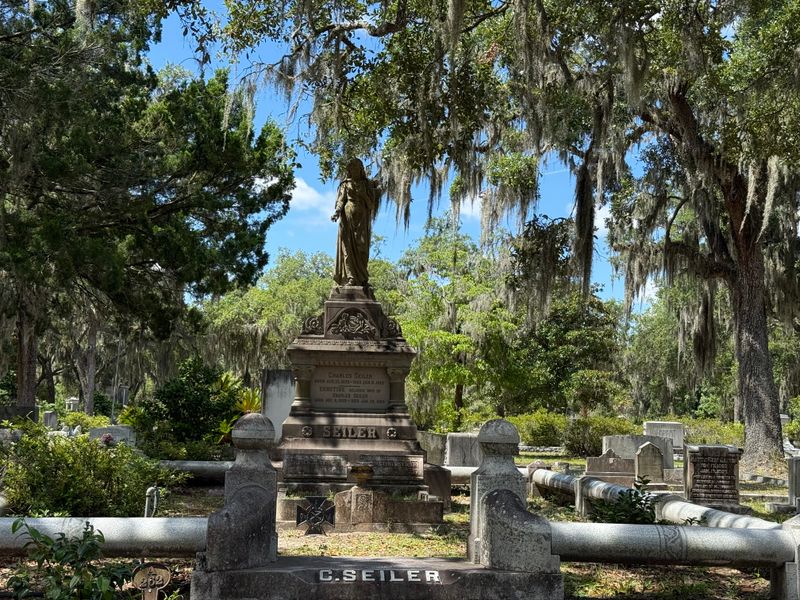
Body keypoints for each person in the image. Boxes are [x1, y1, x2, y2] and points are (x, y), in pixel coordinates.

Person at [331, 158, 379, 286]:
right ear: (349, 171)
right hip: (348, 218)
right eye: (351, 169)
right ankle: (351, 277)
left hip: (362, 219)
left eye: (357, 168)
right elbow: (341, 200)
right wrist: (337, 212)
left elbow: (371, 205)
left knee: (362, 248)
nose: (354, 171)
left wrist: (363, 195)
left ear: (361, 169)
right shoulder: (345, 184)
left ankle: (362, 278)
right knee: (348, 250)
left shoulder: (366, 184)